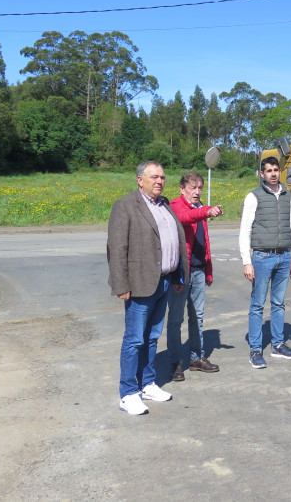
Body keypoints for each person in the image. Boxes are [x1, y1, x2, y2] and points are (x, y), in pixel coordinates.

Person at [107, 161, 188, 416]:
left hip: (163, 281)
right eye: (154, 177)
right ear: (140, 180)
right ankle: (128, 393)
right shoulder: (126, 205)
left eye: (163, 177)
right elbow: (117, 248)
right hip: (139, 283)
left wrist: (177, 276)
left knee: (152, 337)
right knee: (134, 340)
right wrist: (121, 284)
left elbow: (173, 242)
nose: (160, 181)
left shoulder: (164, 204)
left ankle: (147, 383)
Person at [238, 156, 291, 369]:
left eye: (276, 170)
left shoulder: (287, 196)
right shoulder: (253, 197)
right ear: (262, 174)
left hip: (284, 257)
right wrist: (247, 261)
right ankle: (255, 350)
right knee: (257, 305)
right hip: (262, 257)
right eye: (269, 170)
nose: (273, 173)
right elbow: (245, 231)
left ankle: (278, 345)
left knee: (278, 303)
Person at [167, 171, 223, 381]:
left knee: (197, 318)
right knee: (175, 320)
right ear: (182, 189)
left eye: (200, 188)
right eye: (193, 187)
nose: (197, 192)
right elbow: (185, 218)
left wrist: (208, 271)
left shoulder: (200, 208)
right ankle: (175, 362)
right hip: (181, 273)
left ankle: (196, 358)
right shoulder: (175, 206)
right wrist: (207, 211)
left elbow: (204, 242)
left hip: (199, 271)